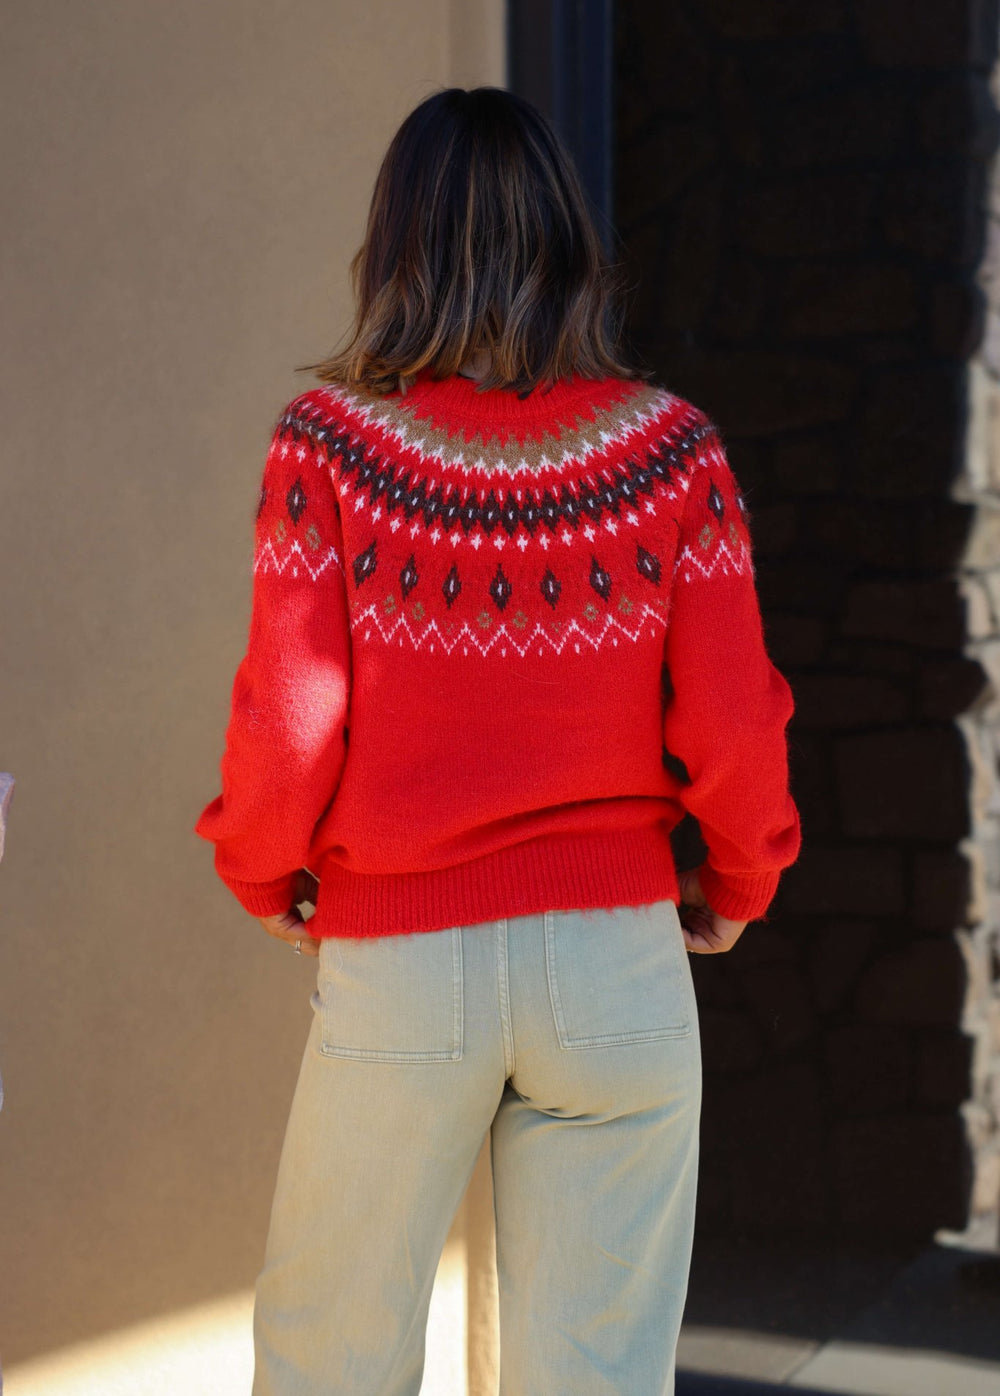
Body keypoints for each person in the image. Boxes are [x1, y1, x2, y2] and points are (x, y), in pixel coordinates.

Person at [194, 85, 801, 1396]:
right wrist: (738, 883)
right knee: (597, 1373)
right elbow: (738, 715)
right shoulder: (671, 453)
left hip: (398, 963)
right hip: (617, 967)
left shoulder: (332, 452)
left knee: (330, 1356)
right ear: (569, 244)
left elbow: (290, 714)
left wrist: (264, 873)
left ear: (393, 246)